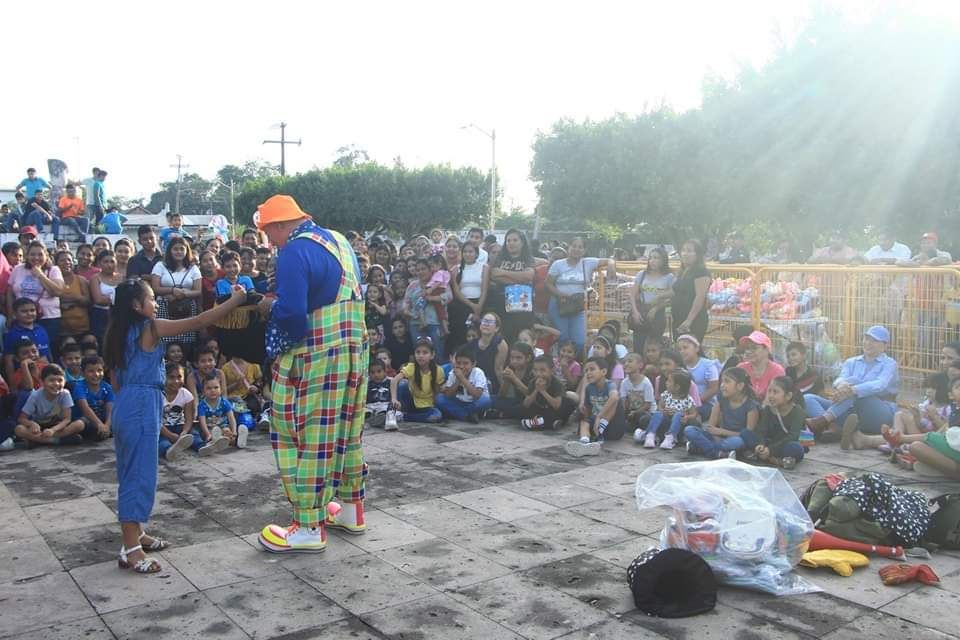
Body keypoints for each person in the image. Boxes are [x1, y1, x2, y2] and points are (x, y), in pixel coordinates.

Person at [104, 277, 245, 573]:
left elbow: (115, 381)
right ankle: (131, 549)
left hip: (126, 402)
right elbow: (201, 320)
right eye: (151, 299)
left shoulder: (116, 333)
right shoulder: (151, 328)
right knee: (138, 476)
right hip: (142, 405)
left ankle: (137, 534)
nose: (156, 304)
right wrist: (236, 300)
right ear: (136, 305)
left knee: (131, 472)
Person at [253, 195, 368, 554]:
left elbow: (292, 314)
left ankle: (307, 527)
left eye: (268, 232)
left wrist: (268, 309)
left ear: (279, 225)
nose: (270, 241)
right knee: (347, 429)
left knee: (303, 435)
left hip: (317, 354)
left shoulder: (294, 250)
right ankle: (350, 510)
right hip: (354, 350)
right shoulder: (339, 240)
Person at [804, 325, 898, 446]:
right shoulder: (851, 361)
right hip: (850, 410)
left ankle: (823, 421)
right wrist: (843, 386)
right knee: (808, 398)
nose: (868, 343)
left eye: (874, 340)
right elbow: (839, 379)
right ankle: (833, 427)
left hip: (878, 413)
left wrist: (852, 389)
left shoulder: (890, 364)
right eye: (866, 339)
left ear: (885, 346)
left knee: (856, 385)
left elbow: (879, 385)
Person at [546, 237, 616, 356]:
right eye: (574, 246)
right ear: (568, 247)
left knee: (579, 342)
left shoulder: (588, 262)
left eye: (580, 247)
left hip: (577, 306)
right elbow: (548, 283)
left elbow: (610, 260)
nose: (576, 249)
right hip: (559, 304)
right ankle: (560, 364)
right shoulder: (558, 265)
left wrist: (611, 265)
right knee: (563, 338)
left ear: (584, 250)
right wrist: (561, 294)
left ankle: (575, 365)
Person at [684, 367, 760, 459]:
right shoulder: (721, 399)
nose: (722, 385)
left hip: (734, 439)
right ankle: (716, 453)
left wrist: (721, 432)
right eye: (722, 381)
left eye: (727, 381)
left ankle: (699, 448)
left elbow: (747, 436)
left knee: (737, 442)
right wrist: (715, 435)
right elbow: (711, 427)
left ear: (740, 386)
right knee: (689, 430)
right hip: (718, 437)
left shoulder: (751, 406)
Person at [8, 242, 63, 355]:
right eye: (32, 254)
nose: (36, 257)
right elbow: (10, 292)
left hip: (47, 318)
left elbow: (58, 291)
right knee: (21, 352)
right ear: (27, 255)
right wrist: (10, 315)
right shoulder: (18, 269)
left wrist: (40, 275)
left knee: (45, 352)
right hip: (22, 318)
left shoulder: (53, 270)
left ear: (46, 255)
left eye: (40, 254)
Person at [150, 237, 203, 356]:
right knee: (165, 344)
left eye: (181, 249)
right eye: (175, 249)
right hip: (164, 307)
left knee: (186, 346)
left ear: (187, 250)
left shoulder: (193, 268)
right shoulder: (160, 266)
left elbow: (198, 291)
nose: (178, 252)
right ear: (170, 250)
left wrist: (183, 293)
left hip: (187, 309)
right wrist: (172, 291)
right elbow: (155, 288)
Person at [566, 356, 626, 456]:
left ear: (603, 372)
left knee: (616, 400)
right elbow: (588, 409)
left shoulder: (610, 385)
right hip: (596, 426)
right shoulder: (589, 388)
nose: (588, 373)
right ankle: (584, 442)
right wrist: (584, 413)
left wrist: (599, 416)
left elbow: (614, 397)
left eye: (592, 369)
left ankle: (600, 434)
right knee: (584, 422)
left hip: (613, 426)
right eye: (586, 370)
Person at [16, 364, 85, 446]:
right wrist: (32, 424)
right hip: (39, 426)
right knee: (19, 429)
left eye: (60, 380)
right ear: (42, 382)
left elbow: (67, 419)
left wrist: (53, 430)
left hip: (57, 426)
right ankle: (55, 441)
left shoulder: (65, 394)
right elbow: (22, 418)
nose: (56, 384)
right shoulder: (35, 396)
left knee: (80, 424)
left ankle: (38, 440)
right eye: (51, 380)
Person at [488, 229, 535, 344]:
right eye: (508, 240)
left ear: (522, 242)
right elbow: (494, 275)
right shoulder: (500, 257)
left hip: (522, 303)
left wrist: (504, 273)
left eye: (515, 240)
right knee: (504, 336)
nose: (511, 243)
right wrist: (519, 278)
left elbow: (529, 276)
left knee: (520, 336)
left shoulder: (527, 258)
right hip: (501, 302)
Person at [750, 376, 806, 470]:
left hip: (785, 445)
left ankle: (767, 457)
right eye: (769, 391)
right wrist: (760, 445)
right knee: (747, 434)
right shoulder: (768, 409)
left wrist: (770, 450)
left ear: (788, 396)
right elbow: (761, 431)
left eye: (775, 392)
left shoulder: (798, 412)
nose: (770, 395)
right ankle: (775, 459)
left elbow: (793, 436)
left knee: (795, 448)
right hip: (770, 443)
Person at [635, 369, 697, 449]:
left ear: (677, 387)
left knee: (678, 414)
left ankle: (670, 438)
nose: (666, 382)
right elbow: (660, 406)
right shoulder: (666, 394)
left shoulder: (687, 399)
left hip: (678, 424)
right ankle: (650, 435)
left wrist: (686, 417)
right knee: (657, 414)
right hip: (665, 421)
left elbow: (694, 414)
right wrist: (663, 411)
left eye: (669, 381)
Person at [389, 337, 445, 425]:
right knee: (403, 384)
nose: (421, 355)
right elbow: (394, 381)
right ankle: (399, 412)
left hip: (427, 405)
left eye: (425, 352)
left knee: (437, 416)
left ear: (432, 355)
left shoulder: (439, 370)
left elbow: (437, 392)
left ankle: (404, 416)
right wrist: (394, 399)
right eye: (418, 352)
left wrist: (435, 406)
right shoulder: (411, 367)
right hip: (411, 402)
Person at [628, 247, 674, 353]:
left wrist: (656, 308)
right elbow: (632, 294)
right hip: (641, 313)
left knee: (653, 349)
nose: (652, 261)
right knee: (638, 347)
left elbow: (672, 298)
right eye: (651, 258)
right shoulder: (642, 274)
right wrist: (635, 312)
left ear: (663, 260)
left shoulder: (669, 277)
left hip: (657, 316)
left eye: (656, 258)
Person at [402, 257, 449, 361]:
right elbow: (406, 302)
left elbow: (449, 297)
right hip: (416, 324)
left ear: (430, 269)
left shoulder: (439, 282)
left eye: (423, 269)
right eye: (418, 270)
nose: (420, 272)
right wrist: (408, 312)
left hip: (435, 323)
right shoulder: (413, 285)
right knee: (420, 356)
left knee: (437, 354)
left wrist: (431, 298)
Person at [158, 362, 205, 462]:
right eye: (171, 377)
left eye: (179, 377)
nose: (176, 381)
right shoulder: (157, 395)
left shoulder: (186, 395)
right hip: (162, 429)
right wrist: (170, 435)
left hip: (180, 426)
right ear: (163, 377)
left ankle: (202, 447)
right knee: (161, 442)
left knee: (194, 434)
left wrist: (185, 432)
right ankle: (169, 450)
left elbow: (189, 419)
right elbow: (156, 421)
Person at [449, 241, 489, 352]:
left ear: (476, 253)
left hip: (480, 303)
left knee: (479, 333)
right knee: (461, 335)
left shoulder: (484, 267)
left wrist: (478, 307)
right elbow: (457, 291)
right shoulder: (456, 269)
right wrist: (472, 305)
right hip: (462, 305)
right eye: (465, 252)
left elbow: (484, 289)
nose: (467, 254)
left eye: (470, 251)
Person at [520, 355, 578, 431]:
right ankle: (549, 422)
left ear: (552, 370)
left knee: (568, 404)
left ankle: (540, 422)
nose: (538, 374)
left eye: (542, 370)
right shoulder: (533, 382)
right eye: (535, 370)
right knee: (523, 410)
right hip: (541, 409)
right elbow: (526, 404)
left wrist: (543, 391)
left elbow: (556, 406)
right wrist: (536, 390)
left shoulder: (557, 383)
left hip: (555, 409)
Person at [436, 346, 492, 423]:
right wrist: (457, 380)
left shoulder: (478, 373)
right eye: (458, 363)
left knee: (485, 400)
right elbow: (448, 395)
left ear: (473, 364)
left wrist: (462, 378)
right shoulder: (453, 373)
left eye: (466, 363)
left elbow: (477, 395)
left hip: (474, 403)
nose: (461, 366)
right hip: (459, 402)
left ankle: (459, 414)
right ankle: (467, 416)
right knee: (439, 399)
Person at [671, 239, 711, 343]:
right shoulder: (682, 271)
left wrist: (689, 320)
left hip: (693, 320)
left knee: (691, 349)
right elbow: (676, 292)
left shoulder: (701, 272)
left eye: (689, 251)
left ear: (697, 254)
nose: (685, 253)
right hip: (678, 318)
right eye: (683, 250)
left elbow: (700, 297)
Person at [71, 356, 113, 441]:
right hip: (86, 421)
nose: (96, 374)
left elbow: (110, 409)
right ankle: (58, 437)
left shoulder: (107, 387)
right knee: (78, 425)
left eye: (99, 370)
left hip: (102, 421)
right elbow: (85, 408)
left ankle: (101, 433)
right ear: (82, 373)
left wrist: (107, 425)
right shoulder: (79, 387)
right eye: (91, 371)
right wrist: (99, 424)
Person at [677, 334, 719, 420]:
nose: (682, 351)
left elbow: (714, 389)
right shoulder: (680, 367)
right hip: (685, 403)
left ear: (696, 348)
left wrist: (694, 402)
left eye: (685, 347)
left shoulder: (708, 365)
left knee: (686, 414)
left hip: (706, 403)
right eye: (679, 349)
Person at [737, 330, 786, 399]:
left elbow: (776, 399)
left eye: (754, 348)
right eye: (748, 348)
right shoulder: (741, 368)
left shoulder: (777, 371)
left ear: (766, 350)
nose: (749, 351)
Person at [197, 373, 243, 449]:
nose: (213, 390)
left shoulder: (224, 402)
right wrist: (208, 434)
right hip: (209, 428)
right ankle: (217, 442)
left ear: (221, 389)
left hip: (223, 426)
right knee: (211, 436)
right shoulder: (202, 405)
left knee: (227, 431)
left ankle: (237, 440)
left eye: (216, 387)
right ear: (203, 391)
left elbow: (231, 418)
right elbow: (202, 422)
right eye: (209, 388)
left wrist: (234, 431)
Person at [491, 342, 535, 418]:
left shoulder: (533, 371)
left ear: (528, 358)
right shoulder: (512, 368)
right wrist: (506, 380)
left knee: (523, 409)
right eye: (512, 358)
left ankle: (502, 414)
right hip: (517, 401)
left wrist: (514, 378)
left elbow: (530, 395)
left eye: (519, 358)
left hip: (530, 404)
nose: (514, 361)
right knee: (492, 399)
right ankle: (502, 413)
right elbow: (502, 395)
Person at [53, 251, 90, 339]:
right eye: (62, 260)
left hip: (82, 328)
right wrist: (76, 299)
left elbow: (87, 301)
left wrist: (72, 298)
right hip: (62, 330)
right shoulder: (52, 281)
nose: (67, 262)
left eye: (69, 260)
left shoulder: (81, 280)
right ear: (56, 264)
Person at [470, 312, 508, 395]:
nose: (486, 324)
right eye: (484, 321)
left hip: (492, 382)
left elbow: (498, 369)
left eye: (490, 322)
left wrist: (503, 393)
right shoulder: (473, 343)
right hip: (474, 380)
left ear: (496, 328)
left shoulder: (500, 344)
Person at [89, 250, 123, 345]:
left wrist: (108, 298)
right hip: (100, 315)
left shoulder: (121, 278)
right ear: (99, 263)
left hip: (118, 315)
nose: (109, 265)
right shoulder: (95, 278)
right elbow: (98, 300)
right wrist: (116, 297)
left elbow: (125, 299)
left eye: (112, 261)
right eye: (106, 262)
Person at [620, 352, 655, 434]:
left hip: (647, 412)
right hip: (632, 412)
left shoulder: (646, 383)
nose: (626, 364)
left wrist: (635, 412)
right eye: (624, 362)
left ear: (640, 365)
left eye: (630, 361)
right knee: (623, 425)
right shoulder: (624, 383)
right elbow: (623, 402)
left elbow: (648, 405)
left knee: (644, 420)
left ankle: (646, 431)